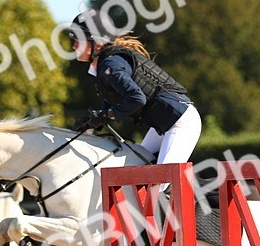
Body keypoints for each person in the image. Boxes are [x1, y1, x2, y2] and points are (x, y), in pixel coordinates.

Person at [67, 10, 201, 165]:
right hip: (162, 124)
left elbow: (137, 98)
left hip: (180, 122)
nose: (74, 46)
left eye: (78, 41)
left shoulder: (111, 65)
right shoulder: (100, 68)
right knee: (138, 167)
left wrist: (107, 115)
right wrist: (92, 122)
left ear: (98, 44)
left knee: (163, 177)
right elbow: (112, 103)